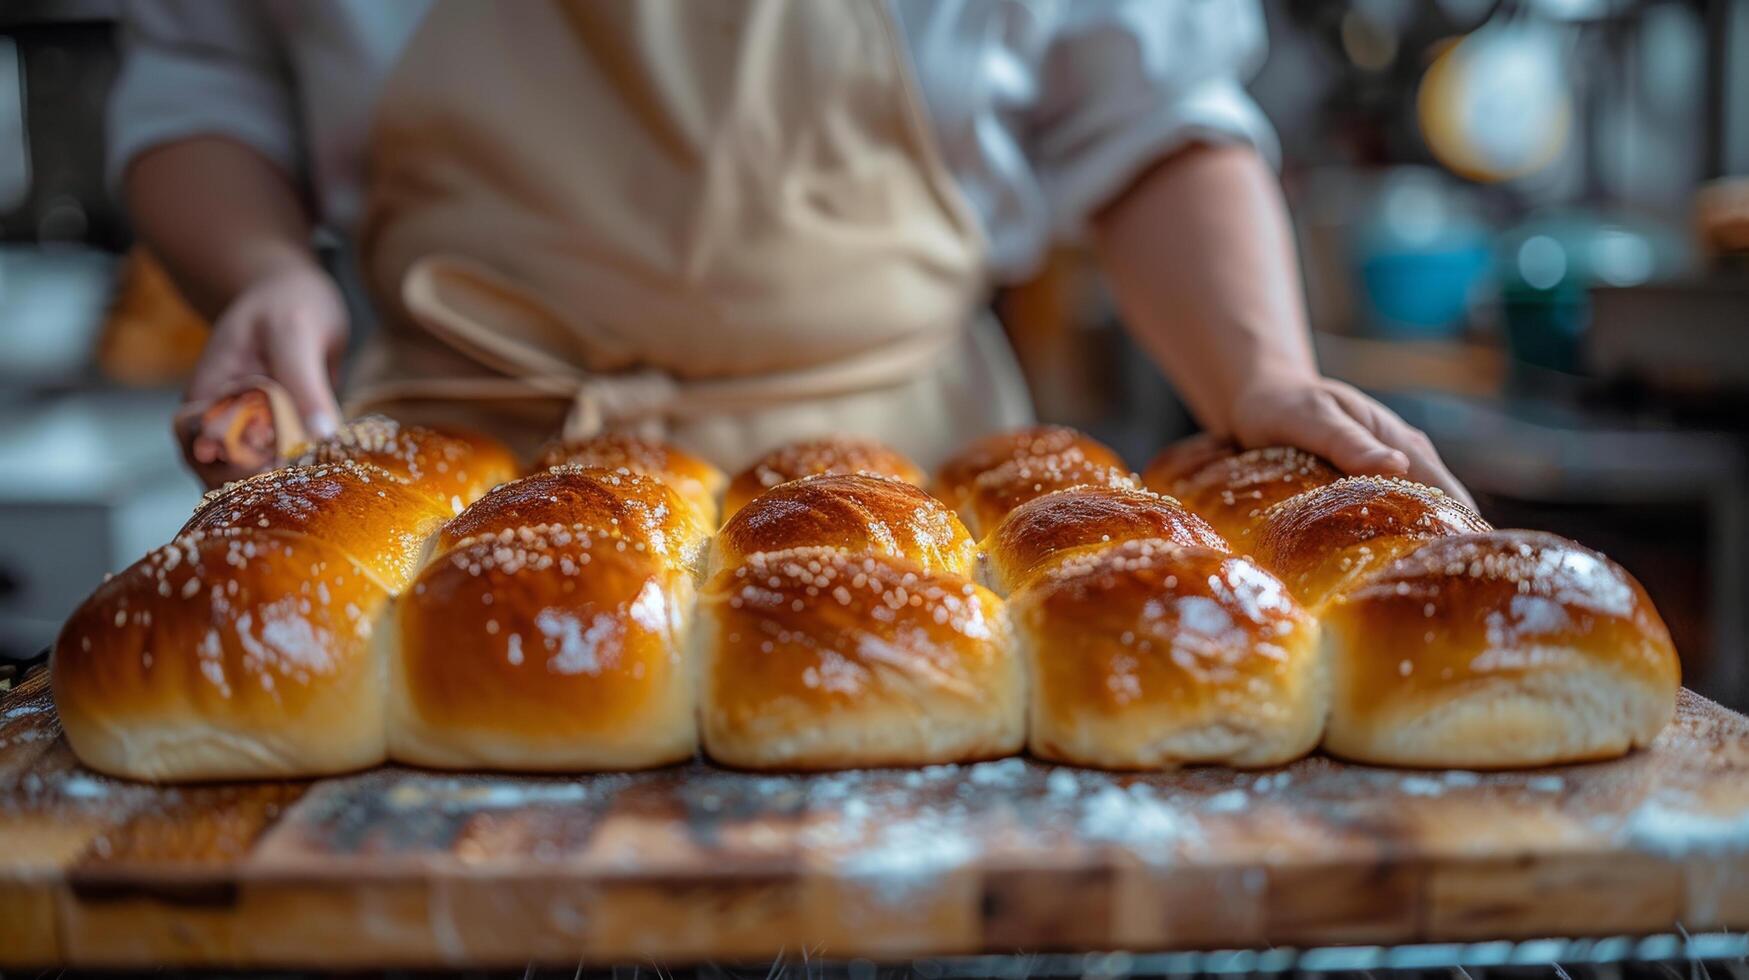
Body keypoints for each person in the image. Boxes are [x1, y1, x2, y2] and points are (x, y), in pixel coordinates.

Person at [112, 0, 1468, 499]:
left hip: (917, 495)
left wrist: (1254, 375)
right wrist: (267, 270)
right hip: (464, 485)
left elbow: (1155, 118)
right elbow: (202, 88)